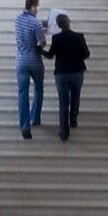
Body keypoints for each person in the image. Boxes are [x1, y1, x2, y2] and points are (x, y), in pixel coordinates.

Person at [43, 12, 89, 140]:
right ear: (69, 22)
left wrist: (40, 50)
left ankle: (64, 132)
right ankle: (73, 120)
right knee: (75, 97)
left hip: (62, 73)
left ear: (58, 25)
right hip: (77, 72)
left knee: (63, 102)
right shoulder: (79, 37)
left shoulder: (57, 38)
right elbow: (86, 54)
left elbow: (50, 55)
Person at [14, 0, 47, 138]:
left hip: (21, 60)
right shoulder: (36, 24)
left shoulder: (18, 20)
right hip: (34, 59)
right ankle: (35, 117)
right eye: (38, 5)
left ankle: (25, 126)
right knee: (38, 88)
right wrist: (44, 31)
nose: (39, 8)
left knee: (23, 93)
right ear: (33, 6)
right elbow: (42, 43)